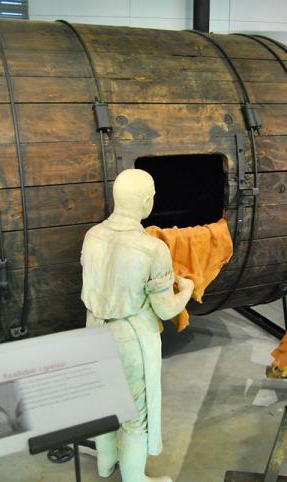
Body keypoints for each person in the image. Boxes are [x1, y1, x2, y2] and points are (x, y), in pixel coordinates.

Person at [80, 169, 194, 482]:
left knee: (102, 404)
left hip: (93, 328)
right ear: (147, 201)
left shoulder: (92, 235)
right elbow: (165, 308)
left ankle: (105, 465)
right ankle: (135, 480)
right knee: (133, 417)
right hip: (127, 338)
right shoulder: (152, 249)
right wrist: (185, 290)